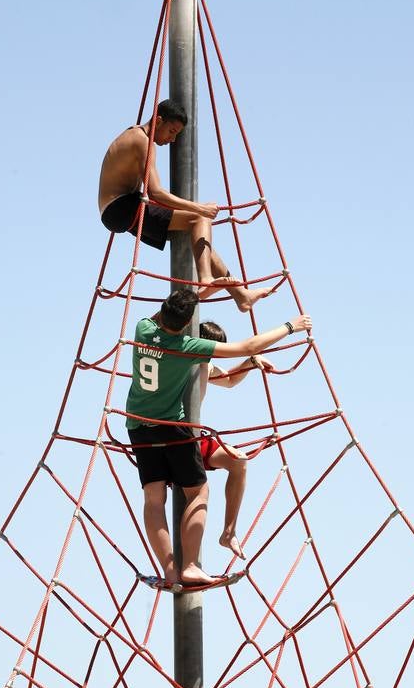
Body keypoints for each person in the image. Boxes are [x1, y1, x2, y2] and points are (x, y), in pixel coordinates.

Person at [125, 288, 311, 585]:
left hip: (137, 424)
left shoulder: (142, 328)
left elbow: (230, 376)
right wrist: (290, 327)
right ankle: (189, 565)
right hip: (175, 428)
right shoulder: (190, 348)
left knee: (154, 498)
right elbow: (248, 345)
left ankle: (176, 567)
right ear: (190, 326)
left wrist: (250, 364)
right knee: (198, 491)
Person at [98, 99, 272, 312]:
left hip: (118, 208)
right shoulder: (142, 140)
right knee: (199, 219)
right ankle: (206, 278)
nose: (172, 139)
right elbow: (156, 192)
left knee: (200, 235)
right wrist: (200, 208)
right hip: (121, 206)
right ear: (158, 120)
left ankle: (241, 296)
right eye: (171, 131)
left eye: (176, 135)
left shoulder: (136, 135)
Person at [198, 321, 275, 560]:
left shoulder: (207, 366)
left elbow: (229, 380)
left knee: (238, 460)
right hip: (169, 433)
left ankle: (228, 532)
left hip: (192, 436)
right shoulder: (183, 359)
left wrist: (250, 363)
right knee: (192, 491)